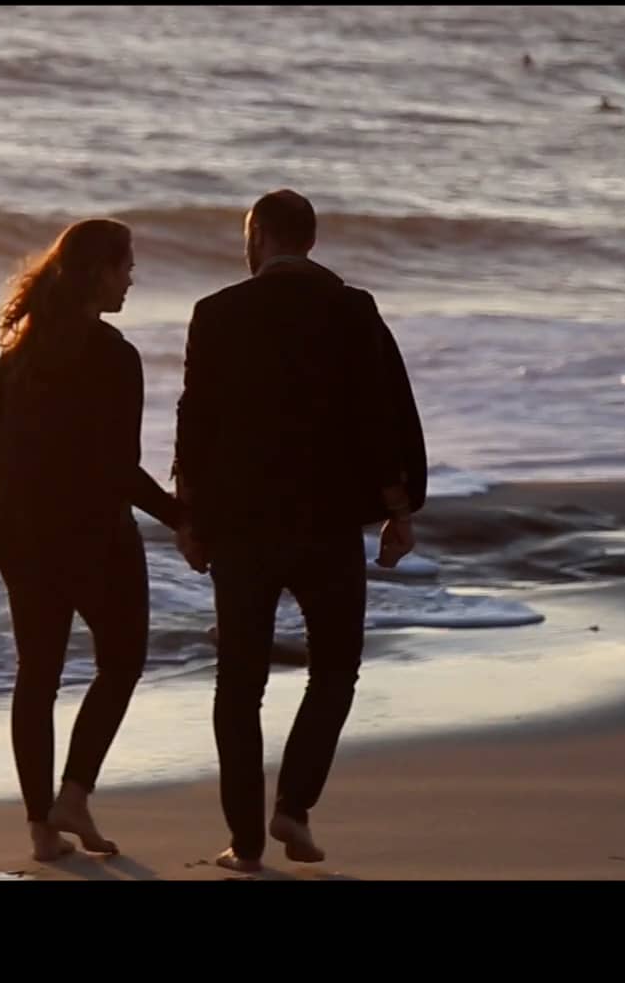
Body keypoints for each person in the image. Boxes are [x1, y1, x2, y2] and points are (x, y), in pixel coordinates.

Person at [173, 189, 426, 872]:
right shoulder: (352, 310)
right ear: (309, 241)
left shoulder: (216, 313)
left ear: (257, 237)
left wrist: (189, 517)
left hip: (242, 529)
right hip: (327, 526)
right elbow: (382, 417)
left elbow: (194, 423)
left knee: (239, 683)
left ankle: (245, 843)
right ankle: (294, 805)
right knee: (336, 670)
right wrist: (401, 508)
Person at [0, 217, 184, 862]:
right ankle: (75, 793)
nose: (132, 279)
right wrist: (180, 518)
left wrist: (35, 475)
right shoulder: (115, 355)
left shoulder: (20, 353)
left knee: (37, 674)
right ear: (96, 273)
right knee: (122, 662)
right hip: (91, 535)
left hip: (19, 531)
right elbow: (119, 466)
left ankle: (41, 827)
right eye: (125, 267)